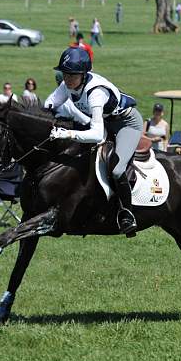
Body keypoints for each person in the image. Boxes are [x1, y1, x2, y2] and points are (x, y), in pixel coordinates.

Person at [44, 47, 142, 234]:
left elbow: (96, 134)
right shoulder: (68, 85)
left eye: (72, 75)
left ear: (83, 74)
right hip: (104, 122)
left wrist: (67, 134)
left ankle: (127, 214)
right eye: (64, 74)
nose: (67, 79)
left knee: (117, 168)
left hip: (125, 123)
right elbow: (49, 104)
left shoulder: (96, 92)